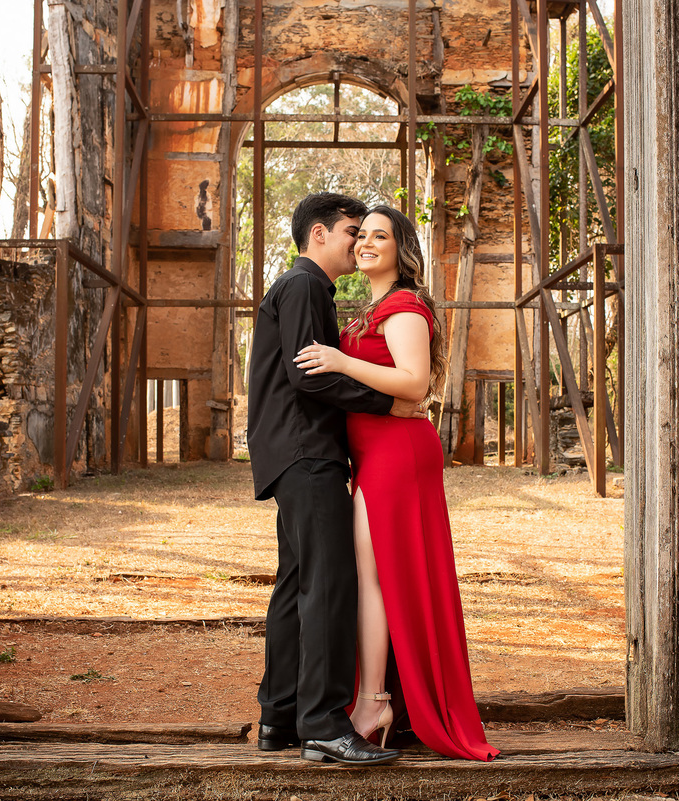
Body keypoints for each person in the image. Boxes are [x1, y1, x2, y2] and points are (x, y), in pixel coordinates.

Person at [294, 205, 500, 761]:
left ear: (400, 248)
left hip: (397, 453)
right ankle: (379, 700)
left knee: (376, 577)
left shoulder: (405, 306)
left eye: (379, 236)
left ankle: (372, 702)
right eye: (360, 235)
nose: (364, 243)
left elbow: (413, 383)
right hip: (372, 454)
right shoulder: (373, 309)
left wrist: (339, 361)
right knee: (375, 576)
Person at [246, 193, 422, 766]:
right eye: (351, 231)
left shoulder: (304, 289)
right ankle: (324, 723)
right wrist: (386, 404)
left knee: (297, 583)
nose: (357, 242)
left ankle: (279, 717)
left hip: (291, 452)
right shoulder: (303, 286)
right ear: (319, 234)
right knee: (329, 584)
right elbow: (309, 375)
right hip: (307, 451)